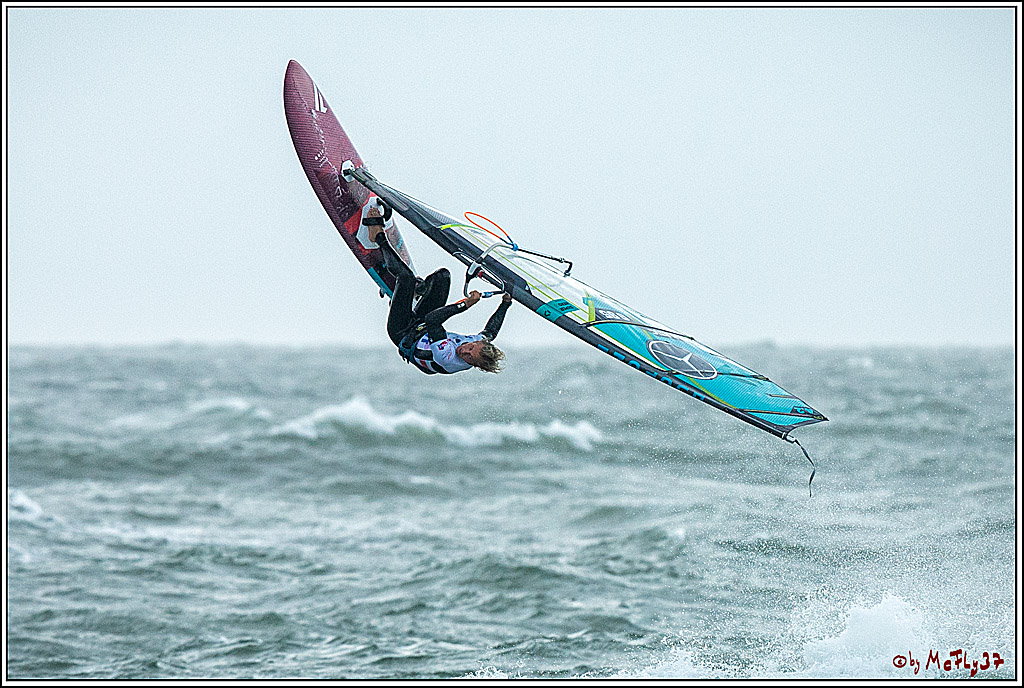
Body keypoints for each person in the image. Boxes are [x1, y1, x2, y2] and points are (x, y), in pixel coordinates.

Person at [362, 200, 512, 375]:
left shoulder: (447, 358)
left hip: (402, 331)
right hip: (422, 325)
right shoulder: (481, 343)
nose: (465, 351)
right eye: (471, 347)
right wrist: (506, 302)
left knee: (406, 278)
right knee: (443, 276)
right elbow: (491, 331)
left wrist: (465, 304)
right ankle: (418, 291)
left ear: (475, 365)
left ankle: (378, 236)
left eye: (469, 357)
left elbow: (433, 319)